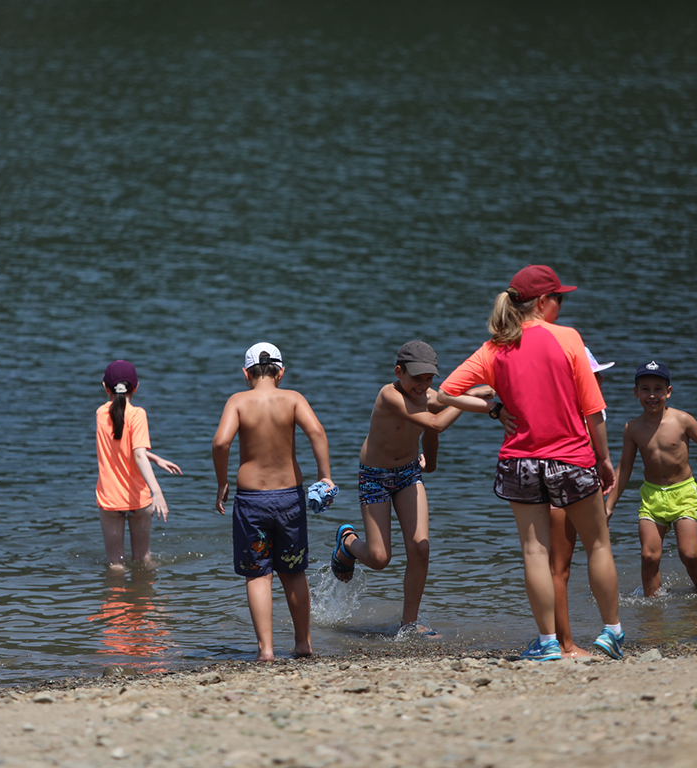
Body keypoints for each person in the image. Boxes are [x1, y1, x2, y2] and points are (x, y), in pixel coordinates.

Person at [437, 265, 624, 662]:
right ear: (542, 302)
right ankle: (611, 632)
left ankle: (548, 643)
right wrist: (604, 459)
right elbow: (593, 410)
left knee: (535, 553)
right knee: (598, 544)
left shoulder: (493, 349)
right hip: (572, 457)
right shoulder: (568, 339)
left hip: (520, 462)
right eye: (560, 298)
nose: (561, 305)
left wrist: (493, 409)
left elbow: (446, 392)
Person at [329, 340, 470, 639]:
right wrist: (465, 397)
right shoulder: (388, 395)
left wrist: (429, 465)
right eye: (416, 378)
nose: (422, 385)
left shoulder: (432, 396)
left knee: (420, 547)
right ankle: (348, 543)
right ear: (399, 372)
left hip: (407, 473)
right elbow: (436, 423)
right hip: (375, 476)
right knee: (380, 559)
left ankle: (409, 623)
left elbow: (430, 432)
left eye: (428, 378)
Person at [212, 342, 334, 661]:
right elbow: (317, 432)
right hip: (289, 497)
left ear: (245, 373)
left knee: (258, 574)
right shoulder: (292, 399)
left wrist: (222, 482)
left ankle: (266, 650)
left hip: (252, 500)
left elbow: (221, 442)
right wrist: (325, 476)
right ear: (281, 372)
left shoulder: (238, 402)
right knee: (293, 572)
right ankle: (303, 643)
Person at [605, 362, 697, 596]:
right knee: (649, 556)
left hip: (684, 493)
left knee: (688, 554)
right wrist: (609, 506)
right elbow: (625, 468)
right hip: (652, 496)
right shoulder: (632, 428)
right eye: (645, 389)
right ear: (635, 392)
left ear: (668, 392)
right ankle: (652, 612)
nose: (652, 395)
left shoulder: (682, 420)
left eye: (658, 389)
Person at [548, 347, 614, 658]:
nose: (600, 381)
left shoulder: (549, 405)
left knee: (556, 569)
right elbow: (595, 456)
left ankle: (554, 641)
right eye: (594, 376)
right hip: (578, 487)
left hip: (547, 484)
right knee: (575, 562)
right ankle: (569, 644)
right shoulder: (592, 410)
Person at [95, 360, 182, 569]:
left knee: (115, 564)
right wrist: (157, 492)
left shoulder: (100, 413)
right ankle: (142, 600)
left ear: (105, 387)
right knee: (143, 560)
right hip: (138, 498)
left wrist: (155, 458)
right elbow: (138, 454)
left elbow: (120, 449)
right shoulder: (137, 414)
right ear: (136, 387)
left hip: (109, 498)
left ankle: (115, 601)